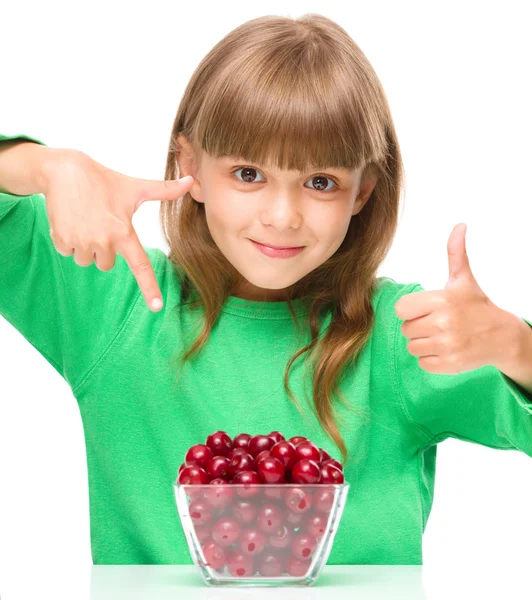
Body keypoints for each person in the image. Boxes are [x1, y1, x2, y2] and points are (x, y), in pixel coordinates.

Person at [1, 13, 532, 568]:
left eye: (319, 182)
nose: (282, 216)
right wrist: (46, 166)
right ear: (191, 167)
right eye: (248, 174)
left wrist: (517, 348)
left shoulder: (402, 337)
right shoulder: (115, 304)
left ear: (362, 192)